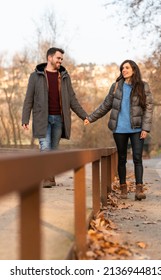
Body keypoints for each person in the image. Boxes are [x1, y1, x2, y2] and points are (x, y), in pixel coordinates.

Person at [84, 59, 153, 200]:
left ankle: (139, 189)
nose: (124, 70)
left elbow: (149, 108)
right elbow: (105, 105)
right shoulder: (116, 87)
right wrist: (91, 118)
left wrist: (145, 128)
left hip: (137, 129)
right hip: (119, 129)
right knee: (121, 159)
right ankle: (123, 189)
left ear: (134, 69)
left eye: (127, 68)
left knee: (137, 158)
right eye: (122, 68)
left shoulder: (143, 86)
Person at [22, 47, 88, 187]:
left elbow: (72, 99)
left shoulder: (64, 76)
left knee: (53, 149)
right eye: (58, 58)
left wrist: (84, 116)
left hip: (59, 118)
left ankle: (50, 176)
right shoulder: (35, 76)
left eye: (61, 59)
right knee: (45, 147)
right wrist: (25, 119)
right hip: (42, 118)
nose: (60, 61)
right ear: (50, 58)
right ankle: (46, 177)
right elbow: (29, 99)